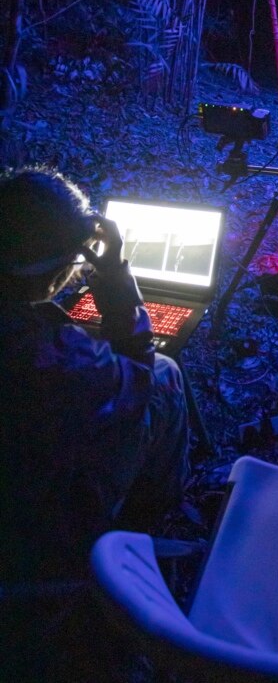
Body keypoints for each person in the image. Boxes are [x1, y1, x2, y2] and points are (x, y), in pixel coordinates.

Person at [0, 166, 190, 583]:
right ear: (54, 269)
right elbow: (136, 380)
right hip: (37, 519)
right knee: (166, 372)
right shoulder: (57, 359)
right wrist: (119, 288)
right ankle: (141, 523)